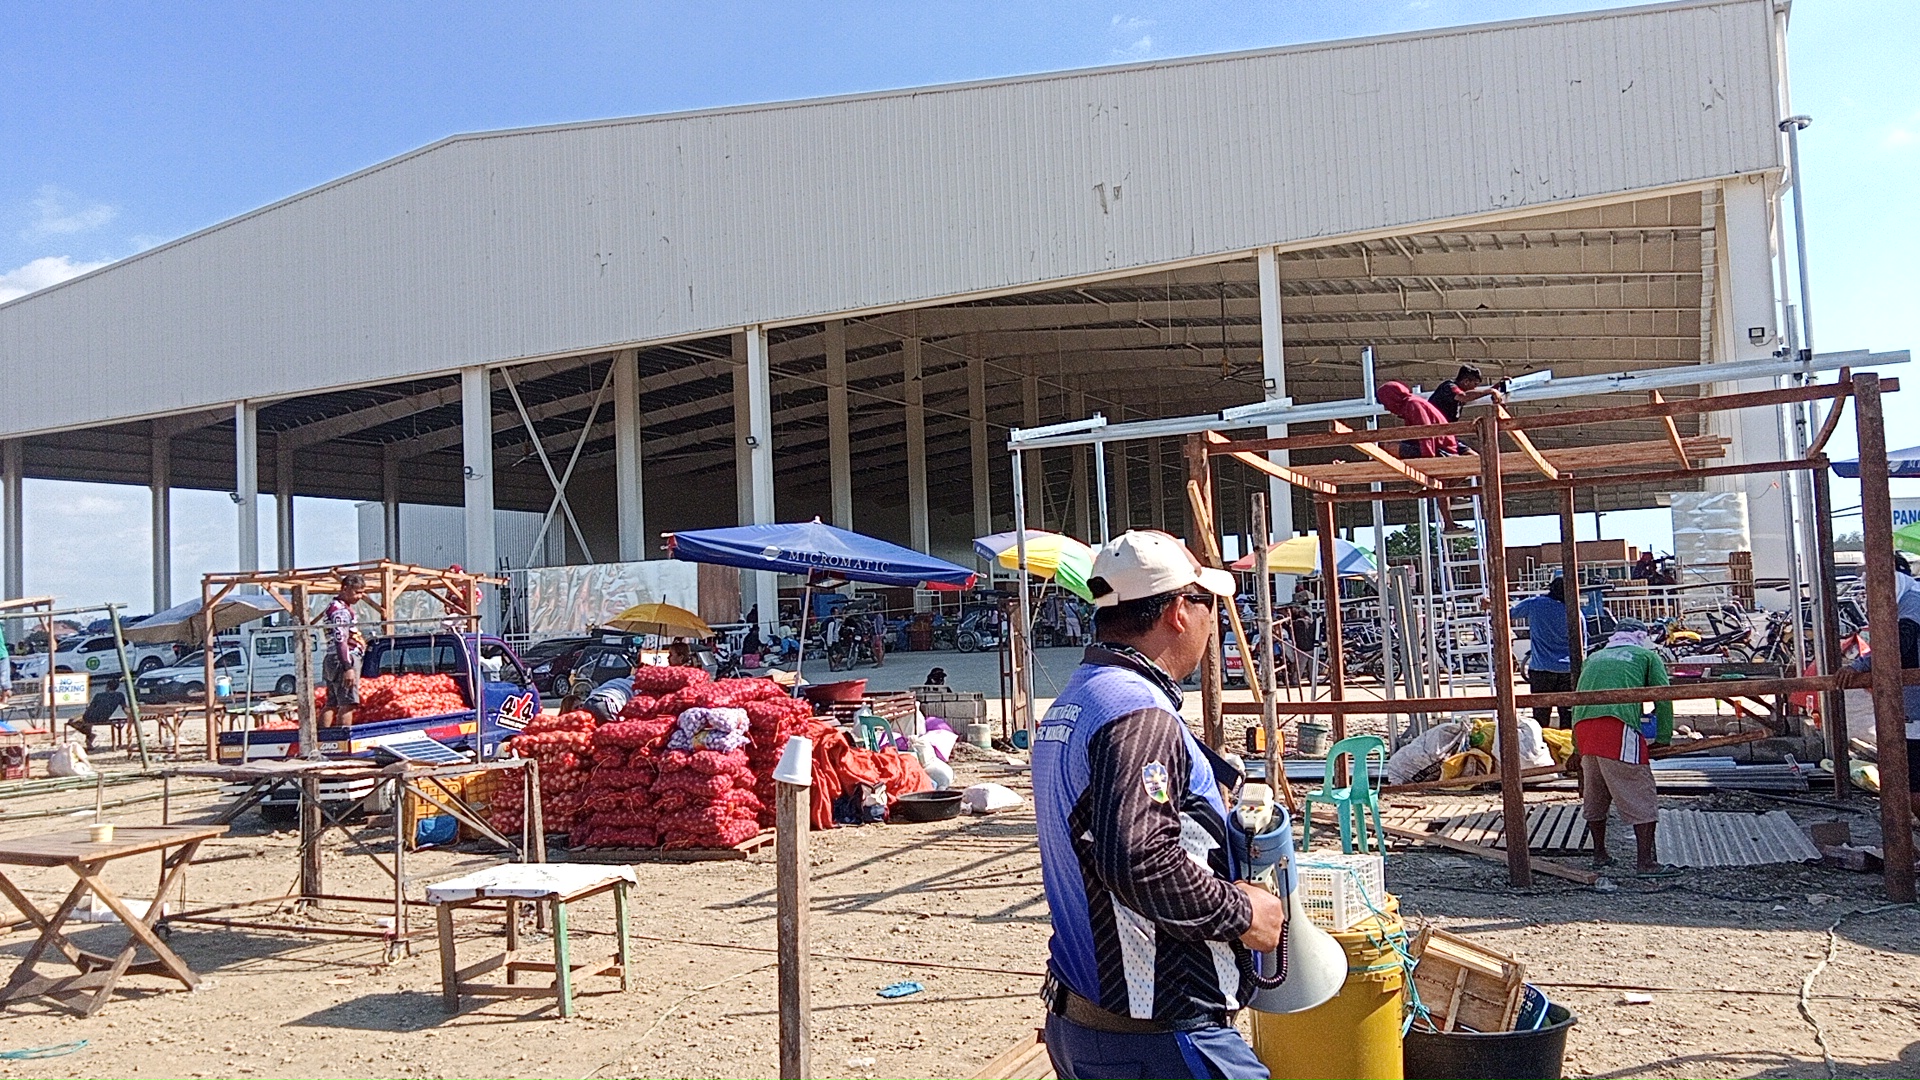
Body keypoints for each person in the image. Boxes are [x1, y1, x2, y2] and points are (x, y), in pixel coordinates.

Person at [1031, 530, 1284, 1080]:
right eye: (1209, 604)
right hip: (1161, 1037)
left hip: (1087, 1024)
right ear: (1176, 610)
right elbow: (1140, 860)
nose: (1214, 621)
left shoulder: (1076, 701)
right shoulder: (1137, 714)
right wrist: (1245, 914)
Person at [1571, 617, 1677, 876]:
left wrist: (1575, 747)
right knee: (1639, 791)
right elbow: (1663, 697)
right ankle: (1645, 863)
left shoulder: (1594, 657)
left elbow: (1576, 700)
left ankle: (1600, 854)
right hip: (1617, 725)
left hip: (1584, 728)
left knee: (1595, 793)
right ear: (1642, 636)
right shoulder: (1646, 656)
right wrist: (1663, 737)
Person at [1846, 561, 1920, 823]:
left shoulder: (1911, 605)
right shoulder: (1906, 603)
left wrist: (1860, 666)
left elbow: (1896, 647)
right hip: (1911, 710)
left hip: (1916, 712)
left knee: (1913, 783)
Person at [1376, 380, 1466, 529]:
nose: (1387, 408)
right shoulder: (1411, 405)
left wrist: (1427, 466)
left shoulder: (1413, 404)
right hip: (1441, 447)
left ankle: (1445, 494)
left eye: (1386, 403)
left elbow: (1426, 434)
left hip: (1440, 449)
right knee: (1441, 486)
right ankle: (1449, 508)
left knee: (1387, 448)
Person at [1511, 578, 1574, 729]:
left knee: (1540, 717)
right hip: (1568, 670)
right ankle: (1568, 749)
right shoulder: (1574, 612)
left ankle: (1540, 747)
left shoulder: (1535, 604)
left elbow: (1509, 614)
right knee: (1568, 716)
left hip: (1541, 669)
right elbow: (1581, 645)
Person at [320, 573, 369, 727]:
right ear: (345, 589)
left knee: (332, 702)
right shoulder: (339, 611)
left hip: (333, 657)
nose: (360, 596)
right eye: (357, 592)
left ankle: (324, 740)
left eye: (362, 592)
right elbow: (341, 639)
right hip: (343, 658)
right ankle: (342, 741)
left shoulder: (337, 607)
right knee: (347, 703)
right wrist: (347, 666)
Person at [1426, 364, 1504, 422]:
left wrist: (1498, 386)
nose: (1475, 388)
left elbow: (1475, 394)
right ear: (1466, 381)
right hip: (1434, 428)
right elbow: (1464, 396)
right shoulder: (1449, 387)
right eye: (1475, 384)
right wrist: (1490, 391)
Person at [70, 686, 126, 751]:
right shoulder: (120, 695)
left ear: (107, 687)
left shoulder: (99, 695)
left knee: (74, 720)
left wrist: (87, 710)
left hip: (91, 716)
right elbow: (124, 707)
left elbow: (91, 707)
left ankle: (89, 737)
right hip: (104, 717)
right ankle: (89, 740)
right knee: (87, 721)